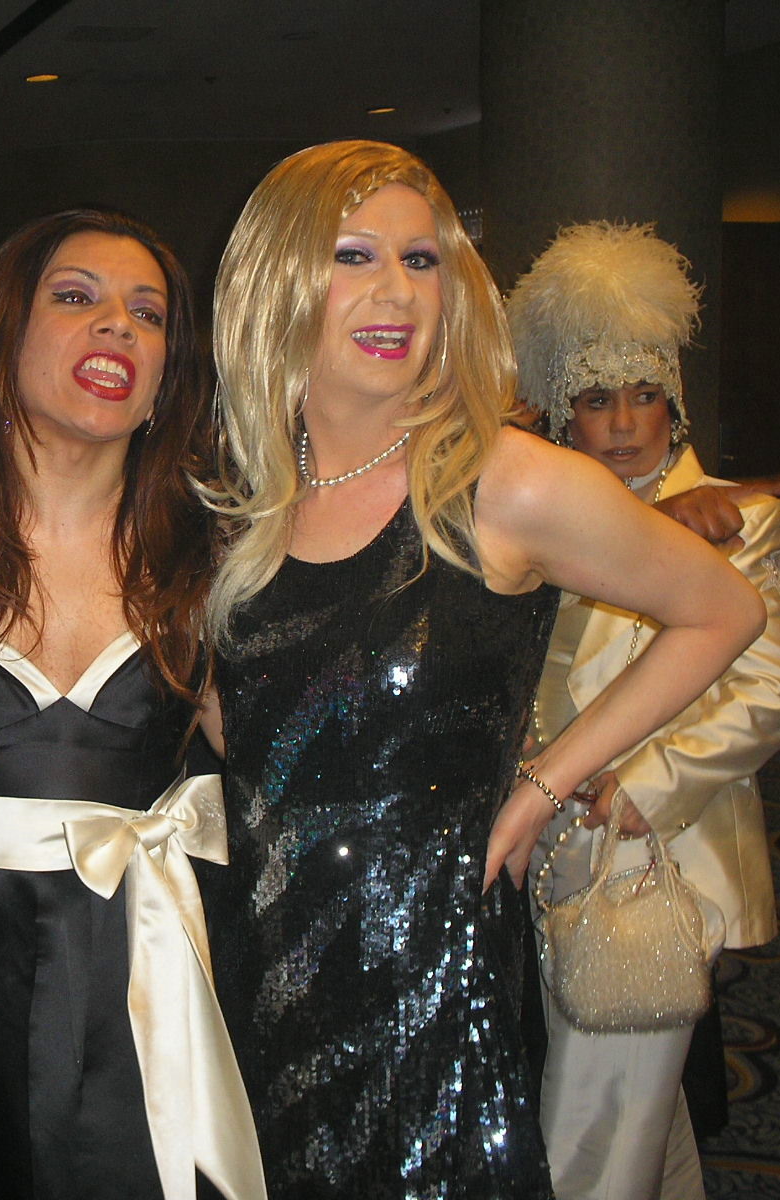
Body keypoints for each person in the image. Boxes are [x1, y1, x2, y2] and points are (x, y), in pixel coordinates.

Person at [197, 140, 764, 1197]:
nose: (396, 290)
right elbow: (237, 731)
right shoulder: (237, 497)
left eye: (421, 260)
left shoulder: (503, 481)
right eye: (354, 255)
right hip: (255, 958)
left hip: (430, 981)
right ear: (276, 276)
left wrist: (544, 784)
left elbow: (722, 610)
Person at [0, 209, 262, 1200]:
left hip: (153, 955)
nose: (116, 326)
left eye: (147, 314)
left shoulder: (211, 546)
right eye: (76, 297)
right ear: (4, 332)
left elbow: (273, 755)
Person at [508, 221, 780, 1200]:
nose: (623, 422)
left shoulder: (745, 520)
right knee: (640, 1113)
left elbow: (763, 687)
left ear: (674, 397)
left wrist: (644, 786)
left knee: (598, 1115)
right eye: (594, 399)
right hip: (544, 833)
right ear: (560, 412)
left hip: (656, 846)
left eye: (643, 394)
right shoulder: (537, 525)